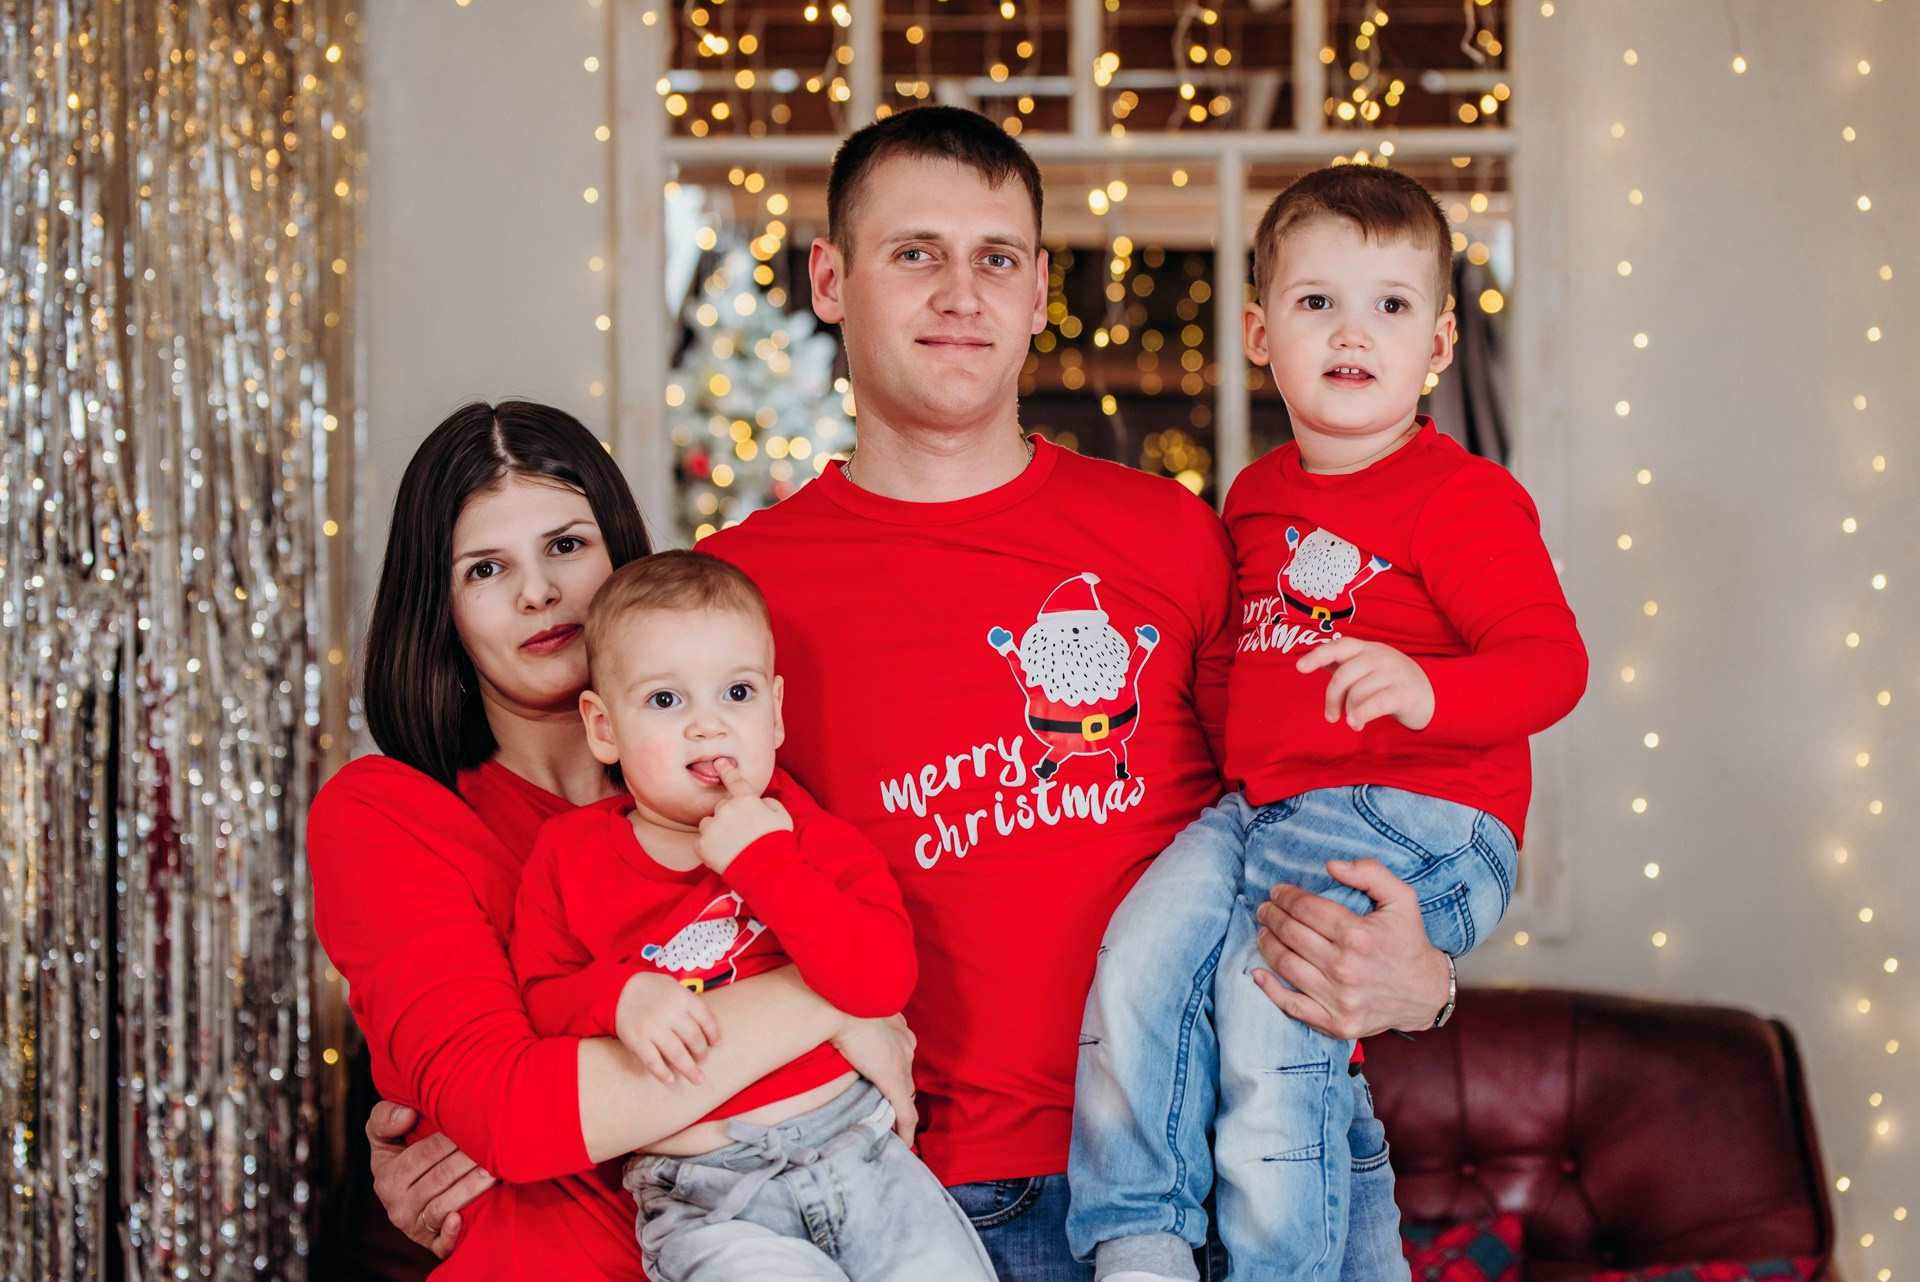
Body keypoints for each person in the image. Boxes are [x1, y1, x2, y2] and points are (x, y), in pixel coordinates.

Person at [696, 107, 1458, 1281]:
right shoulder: (738, 594)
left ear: (1041, 287)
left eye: (995, 258)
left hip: (1246, 1154)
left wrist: (1431, 977)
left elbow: (1350, 789)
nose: (962, 293)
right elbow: (659, 896)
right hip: (940, 1205)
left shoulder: (1181, 537)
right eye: (917, 254)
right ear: (831, 278)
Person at [1066, 165, 1589, 1281]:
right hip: (1261, 810)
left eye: (1391, 305)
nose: (1354, 332)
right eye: (1317, 303)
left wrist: (1428, 687)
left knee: (1269, 1014)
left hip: (1424, 816)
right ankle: (1139, 1235)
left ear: (1440, 343)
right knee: (1140, 955)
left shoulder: (1463, 499)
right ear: (1259, 330)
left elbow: (1553, 665)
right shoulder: (1251, 497)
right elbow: (1231, 670)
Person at [308, 401, 918, 1280]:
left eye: (566, 546)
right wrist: (837, 1001)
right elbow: (518, 1121)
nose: (538, 593)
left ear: (621, 553)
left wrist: (588, 1090)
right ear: (439, 605)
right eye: (486, 568)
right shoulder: (386, 815)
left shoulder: (735, 780)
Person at [508, 549, 995, 1280]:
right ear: (602, 727)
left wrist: (761, 861)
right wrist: (620, 996)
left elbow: (880, 980)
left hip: (859, 1156)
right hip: (707, 1197)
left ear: (775, 712)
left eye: (736, 694)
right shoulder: (569, 855)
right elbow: (541, 997)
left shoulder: (806, 834)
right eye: (666, 702)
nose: (708, 727)